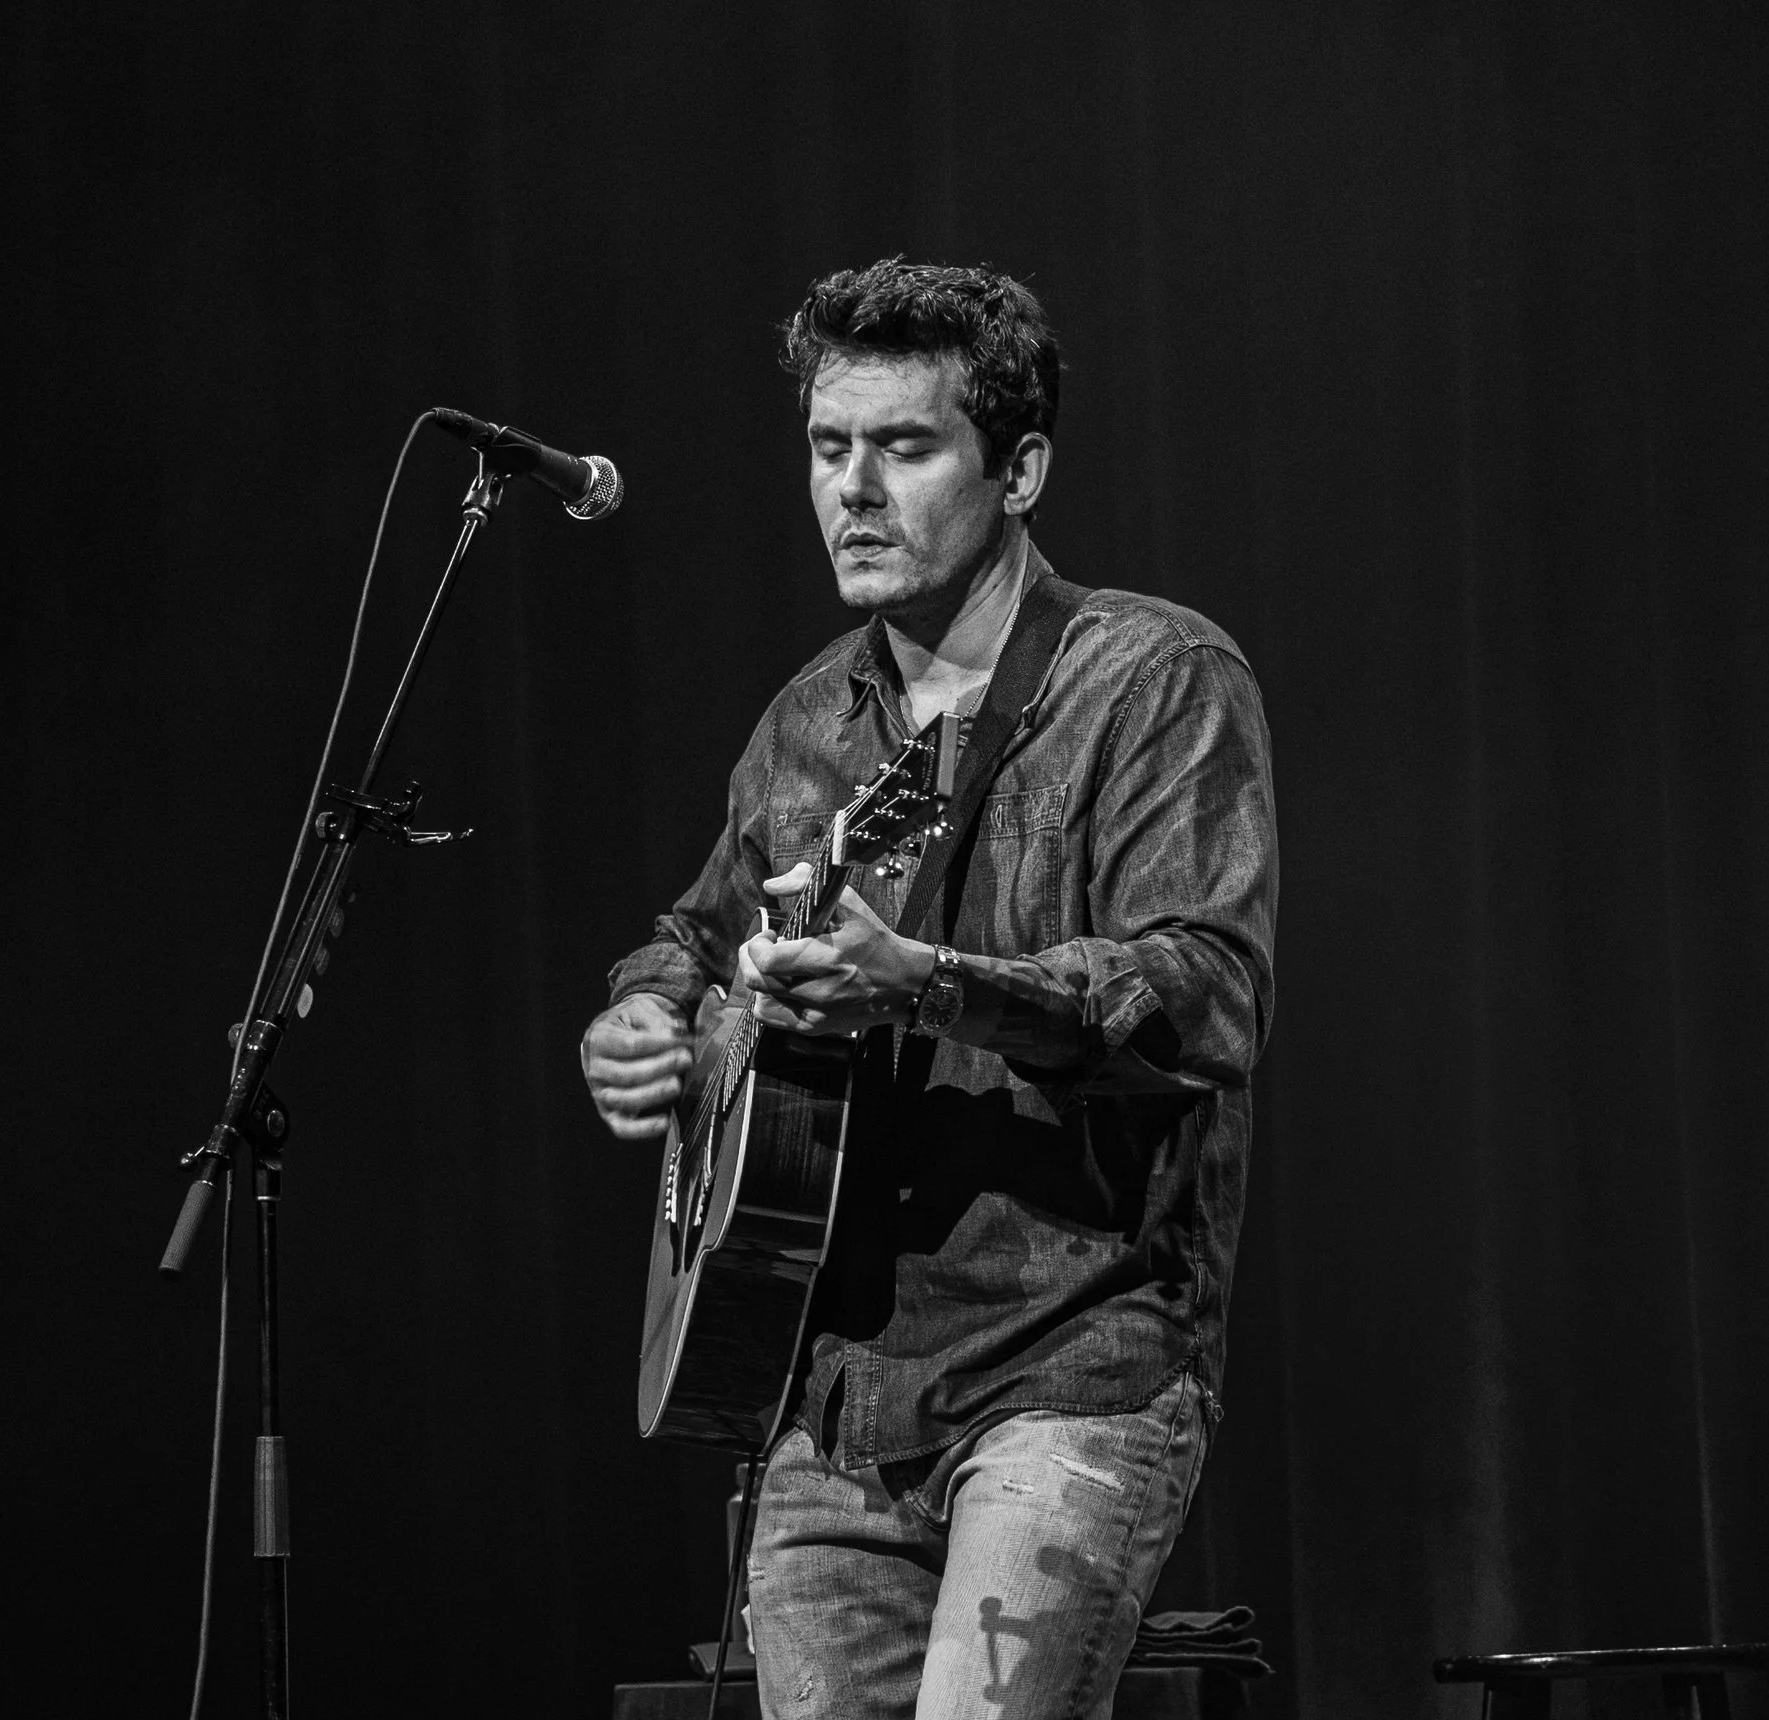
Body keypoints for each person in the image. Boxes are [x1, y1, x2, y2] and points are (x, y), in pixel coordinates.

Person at [579, 259, 1277, 1720]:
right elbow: (694, 940)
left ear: (1018, 468)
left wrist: (933, 986)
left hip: (1070, 1360)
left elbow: (1204, 992)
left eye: (905, 448)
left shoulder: (1150, 676)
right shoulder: (811, 721)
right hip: (827, 1395)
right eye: (830, 450)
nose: (854, 490)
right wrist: (645, 1019)